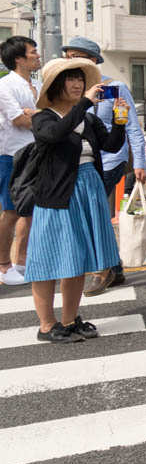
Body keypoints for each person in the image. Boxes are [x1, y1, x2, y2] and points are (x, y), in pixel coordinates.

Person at [25, 58, 126, 342]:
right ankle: (47, 325)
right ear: (56, 85)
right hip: (57, 195)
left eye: (80, 79)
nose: (78, 83)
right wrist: (84, 104)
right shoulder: (43, 117)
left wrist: (120, 120)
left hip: (88, 188)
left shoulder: (89, 118)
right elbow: (56, 135)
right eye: (70, 78)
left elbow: (110, 146)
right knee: (48, 260)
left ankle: (70, 319)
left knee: (77, 258)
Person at [61, 36, 146, 296]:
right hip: (82, 160)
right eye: (68, 56)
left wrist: (140, 163)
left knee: (96, 212)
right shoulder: (69, 90)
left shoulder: (113, 86)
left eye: (76, 55)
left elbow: (131, 124)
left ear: (93, 61)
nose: (69, 60)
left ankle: (103, 270)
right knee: (94, 213)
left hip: (110, 158)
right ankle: (115, 268)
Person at [0, 35, 42, 286]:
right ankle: (4, 265)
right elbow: (19, 120)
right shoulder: (5, 86)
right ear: (18, 58)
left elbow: (51, 113)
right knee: (11, 210)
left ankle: (22, 261)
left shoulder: (37, 83)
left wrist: (38, 115)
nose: (37, 55)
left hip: (38, 152)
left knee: (32, 211)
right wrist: (45, 120)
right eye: (32, 52)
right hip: (12, 155)